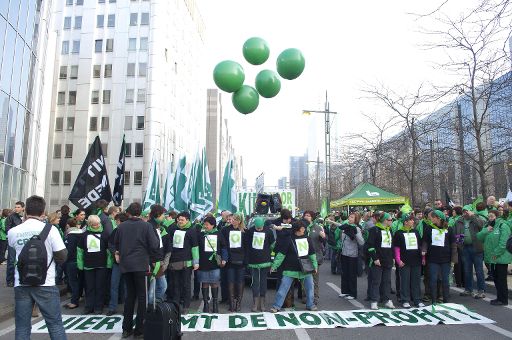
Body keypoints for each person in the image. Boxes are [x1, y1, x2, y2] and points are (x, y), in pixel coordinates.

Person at [7, 196, 68, 340]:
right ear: (43, 212)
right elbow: (62, 256)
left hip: (21, 283)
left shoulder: (13, 232)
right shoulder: (51, 230)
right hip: (46, 282)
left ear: (25, 210)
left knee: (22, 326)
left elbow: (13, 254)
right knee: (54, 325)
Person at [114, 202, 160, 339]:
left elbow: (116, 242)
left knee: (130, 296)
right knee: (142, 297)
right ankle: (139, 329)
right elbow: (154, 245)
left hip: (126, 264)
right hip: (141, 264)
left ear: (128, 212)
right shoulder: (146, 226)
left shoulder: (121, 226)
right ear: (140, 213)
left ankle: (126, 328)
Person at [270, 220, 318, 313]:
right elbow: (281, 255)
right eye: (302, 228)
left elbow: (312, 254)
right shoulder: (289, 239)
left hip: (305, 268)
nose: (304, 229)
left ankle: (310, 304)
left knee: (310, 288)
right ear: (297, 229)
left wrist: (315, 266)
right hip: (290, 269)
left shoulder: (308, 239)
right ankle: (276, 306)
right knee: (283, 288)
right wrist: (274, 265)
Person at [77, 215, 112, 314]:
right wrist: (80, 264)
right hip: (88, 265)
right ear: (90, 224)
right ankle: (89, 306)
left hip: (102, 265)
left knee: (100, 287)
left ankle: (98, 307)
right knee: (89, 287)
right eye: (95, 224)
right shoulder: (84, 235)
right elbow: (80, 251)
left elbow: (109, 251)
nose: (97, 225)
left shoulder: (105, 234)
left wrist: (109, 264)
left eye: (98, 224)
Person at [422, 210, 457, 305]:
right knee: (433, 279)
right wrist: (424, 249)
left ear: (438, 218)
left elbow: (453, 244)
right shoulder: (429, 228)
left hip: (446, 259)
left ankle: (445, 300)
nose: (430, 219)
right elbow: (425, 241)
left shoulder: (449, 229)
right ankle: (434, 300)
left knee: (445, 280)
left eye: (432, 218)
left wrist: (454, 259)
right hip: (433, 258)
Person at [167, 211, 199, 314]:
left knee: (186, 285)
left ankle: (186, 306)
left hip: (187, 263)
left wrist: (196, 262)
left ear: (187, 220)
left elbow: (195, 247)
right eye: (178, 219)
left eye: (182, 220)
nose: (180, 221)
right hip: (174, 261)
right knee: (175, 285)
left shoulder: (191, 231)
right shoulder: (173, 229)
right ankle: (176, 306)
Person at [477, 210, 511, 306]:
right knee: (496, 279)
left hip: (500, 258)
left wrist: (495, 254)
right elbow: (479, 237)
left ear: (497, 216)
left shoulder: (503, 226)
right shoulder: (488, 226)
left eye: (492, 216)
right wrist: (486, 230)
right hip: (492, 258)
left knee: (501, 279)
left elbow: (503, 243)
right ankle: (499, 298)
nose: (490, 218)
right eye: (489, 216)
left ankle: (503, 300)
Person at [393, 213, 424, 308]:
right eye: (411, 220)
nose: (413, 221)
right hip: (404, 261)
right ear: (405, 222)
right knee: (405, 281)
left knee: (416, 281)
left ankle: (417, 299)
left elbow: (420, 246)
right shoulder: (398, 233)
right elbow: (396, 248)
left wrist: (423, 258)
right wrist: (398, 260)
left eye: (413, 220)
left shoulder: (415, 232)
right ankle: (405, 299)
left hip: (416, 260)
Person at [197, 216, 227, 313]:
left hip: (215, 263)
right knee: (204, 282)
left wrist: (224, 259)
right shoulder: (201, 234)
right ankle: (206, 303)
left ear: (213, 225)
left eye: (207, 225)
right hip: (203, 262)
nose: (205, 226)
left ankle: (215, 304)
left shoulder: (219, 234)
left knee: (214, 282)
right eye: (204, 224)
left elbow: (224, 247)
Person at [366, 212, 395, 310]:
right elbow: (370, 245)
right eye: (390, 220)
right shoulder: (374, 230)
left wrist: (393, 257)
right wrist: (375, 258)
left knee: (387, 281)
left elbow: (392, 245)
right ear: (385, 221)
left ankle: (387, 299)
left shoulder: (390, 230)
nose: (391, 221)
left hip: (388, 259)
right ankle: (374, 300)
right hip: (378, 260)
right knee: (376, 281)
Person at [455, 205, 485, 298]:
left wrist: (473, 216)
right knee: (467, 270)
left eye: (467, 211)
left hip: (476, 248)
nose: (465, 213)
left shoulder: (476, 219)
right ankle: (468, 289)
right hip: (465, 248)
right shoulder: (459, 221)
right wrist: (459, 245)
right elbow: (457, 233)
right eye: (464, 211)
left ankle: (481, 290)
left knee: (479, 270)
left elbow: (481, 225)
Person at [246, 216, 275, 312]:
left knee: (263, 282)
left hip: (265, 260)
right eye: (257, 228)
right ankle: (255, 303)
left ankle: (262, 303)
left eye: (260, 227)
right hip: (253, 261)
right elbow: (247, 245)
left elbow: (272, 245)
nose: (258, 229)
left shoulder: (268, 231)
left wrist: (268, 253)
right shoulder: (250, 231)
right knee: (255, 282)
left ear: (263, 224)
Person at [335, 212, 365, 300]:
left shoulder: (357, 228)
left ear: (356, 219)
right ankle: (345, 291)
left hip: (352, 254)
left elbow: (361, 242)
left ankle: (352, 293)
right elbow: (339, 225)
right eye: (349, 217)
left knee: (351, 274)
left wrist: (355, 233)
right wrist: (331, 222)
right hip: (344, 253)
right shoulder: (346, 226)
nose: (350, 218)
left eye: (352, 217)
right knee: (344, 273)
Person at [221, 212, 247, 312]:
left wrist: (246, 260)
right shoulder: (225, 230)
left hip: (241, 260)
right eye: (232, 219)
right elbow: (223, 245)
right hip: (230, 260)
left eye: (236, 219)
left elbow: (246, 247)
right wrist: (225, 258)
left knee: (240, 282)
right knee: (231, 281)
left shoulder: (244, 231)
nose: (233, 221)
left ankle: (238, 303)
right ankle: (231, 303)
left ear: (240, 221)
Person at [147, 204, 171, 304]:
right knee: (154, 287)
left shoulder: (157, 226)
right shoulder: (149, 226)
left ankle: (156, 304)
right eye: (163, 215)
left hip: (157, 261)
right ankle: (151, 307)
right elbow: (151, 246)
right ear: (157, 214)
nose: (164, 217)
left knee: (161, 286)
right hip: (153, 262)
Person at [106, 212, 128, 315]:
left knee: (125, 286)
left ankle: (127, 307)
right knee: (115, 285)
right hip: (118, 262)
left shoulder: (128, 231)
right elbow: (110, 244)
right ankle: (112, 307)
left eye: (117, 221)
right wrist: (115, 252)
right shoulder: (116, 231)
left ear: (120, 221)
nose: (116, 222)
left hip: (127, 262)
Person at [303, 211, 326, 305]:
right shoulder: (301, 226)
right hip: (304, 257)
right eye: (305, 215)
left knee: (314, 279)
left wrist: (323, 237)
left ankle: (315, 297)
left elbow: (323, 242)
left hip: (315, 256)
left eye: (308, 216)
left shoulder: (318, 227)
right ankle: (305, 296)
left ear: (312, 217)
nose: (306, 217)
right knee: (304, 278)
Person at [64, 218, 83, 309]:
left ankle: (74, 301)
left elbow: (69, 250)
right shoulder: (82, 234)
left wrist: (65, 260)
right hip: (81, 260)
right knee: (80, 280)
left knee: (73, 282)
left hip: (72, 261)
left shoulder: (70, 236)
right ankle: (79, 296)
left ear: (68, 225)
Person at [6, 201, 25, 287]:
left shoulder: (26, 217)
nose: (16, 208)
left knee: (22, 260)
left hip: (23, 241)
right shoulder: (11, 217)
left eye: (18, 207)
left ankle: (21, 278)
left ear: (23, 208)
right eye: (16, 207)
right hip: (14, 241)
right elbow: (8, 229)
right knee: (11, 261)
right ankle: (10, 280)